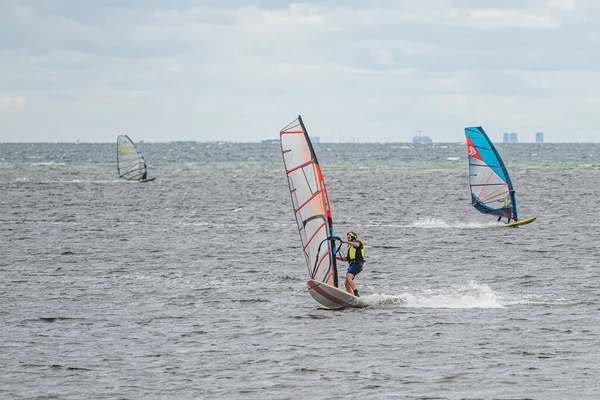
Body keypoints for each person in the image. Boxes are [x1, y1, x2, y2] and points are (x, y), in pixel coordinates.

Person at [336, 231, 364, 297]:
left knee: (348, 277)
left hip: (357, 264)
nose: (347, 238)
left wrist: (346, 241)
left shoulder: (358, 243)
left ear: (353, 238)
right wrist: (334, 257)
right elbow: (346, 259)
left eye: (349, 237)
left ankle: (356, 294)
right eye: (347, 237)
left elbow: (356, 245)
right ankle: (350, 296)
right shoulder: (350, 249)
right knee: (346, 283)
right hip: (352, 265)